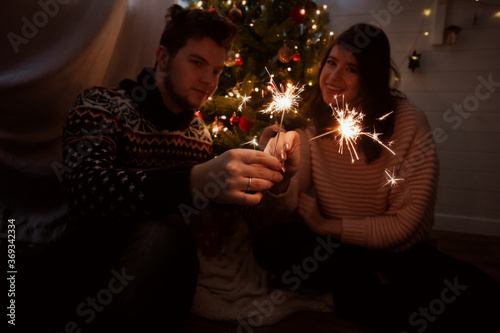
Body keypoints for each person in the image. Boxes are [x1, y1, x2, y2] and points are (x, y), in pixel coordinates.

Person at [16, 5, 283, 332]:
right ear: (162, 56)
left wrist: (271, 168)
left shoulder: (197, 134)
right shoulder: (101, 104)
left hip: (162, 280)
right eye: (197, 63)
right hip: (89, 260)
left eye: (216, 70)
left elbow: (215, 210)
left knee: (171, 234)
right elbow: (86, 189)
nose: (208, 81)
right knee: (162, 230)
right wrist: (192, 180)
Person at [253, 23, 500, 332]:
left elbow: (405, 224)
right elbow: (288, 200)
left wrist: (328, 224)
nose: (333, 77)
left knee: (485, 299)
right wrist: (280, 171)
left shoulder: (408, 122)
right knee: (267, 245)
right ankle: (374, 291)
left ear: (371, 77)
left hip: (400, 252)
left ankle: (350, 297)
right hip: (340, 250)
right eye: (331, 63)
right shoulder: (315, 123)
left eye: (351, 69)